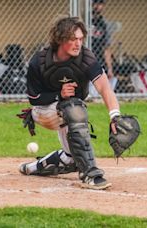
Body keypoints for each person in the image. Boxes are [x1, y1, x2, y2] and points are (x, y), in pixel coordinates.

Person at [18, 16, 123, 190]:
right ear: (60, 39)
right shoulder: (40, 61)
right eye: (73, 39)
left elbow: (104, 87)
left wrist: (115, 115)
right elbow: (33, 98)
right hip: (43, 111)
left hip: (70, 111)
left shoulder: (86, 57)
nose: (78, 44)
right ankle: (90, 174)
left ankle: (34, 167)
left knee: (72, 158)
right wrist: (59, 94)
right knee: (74, 107)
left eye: (81, 39)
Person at [89, 0, 116, 96]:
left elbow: (106, 48)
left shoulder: (103, 24)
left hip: (98, 60)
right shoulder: (83, 21)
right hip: (83, 60)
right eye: (95, 3)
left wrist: (109, 68)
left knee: (97, 92)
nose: (97, 6)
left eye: (100, 4)